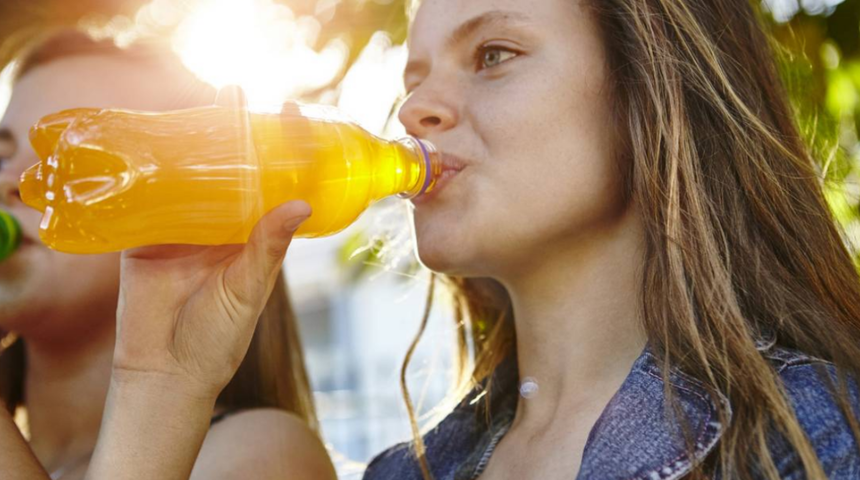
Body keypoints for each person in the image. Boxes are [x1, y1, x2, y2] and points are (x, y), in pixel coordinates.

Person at [3, 0, 860, 479]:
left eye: (492, 54)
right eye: (414, 79)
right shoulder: (403, 476)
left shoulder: (814, 432)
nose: (415, 110)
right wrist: (160, 384)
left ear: (651, 94)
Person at [0, 29, 335, 480]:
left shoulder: (262, 454)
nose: (13, 182)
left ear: (192, 211)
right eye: (2, 155)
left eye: (73, 156)